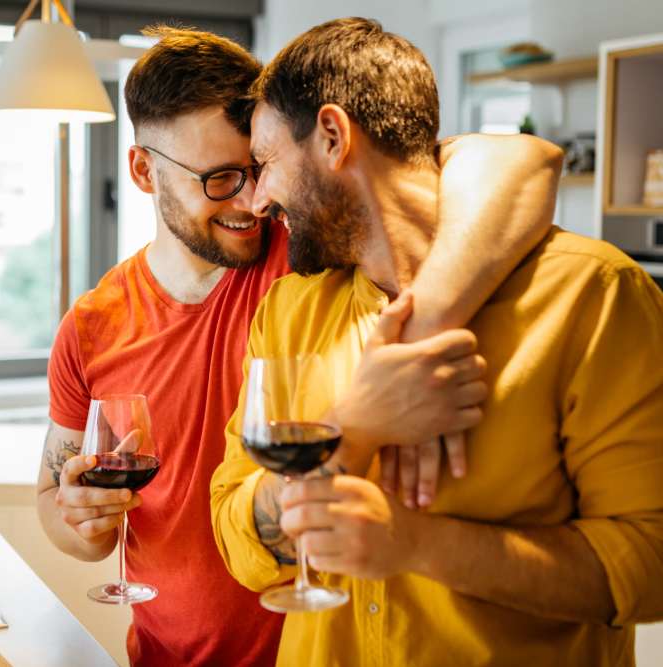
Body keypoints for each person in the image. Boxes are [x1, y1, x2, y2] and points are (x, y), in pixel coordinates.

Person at [39, 26, 564, 667]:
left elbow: (520, 161)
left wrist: (427, 321)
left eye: (258, 169)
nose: (253, 201)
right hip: (161, 655)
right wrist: (81, 523)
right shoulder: (91, 326)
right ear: (144, 170)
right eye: (221, 178)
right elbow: (52, 498)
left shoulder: (309, 255)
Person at [211, 17, 663, 666]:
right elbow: (237, 543)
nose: (256, 201)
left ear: (334, 136)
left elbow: (648, 565)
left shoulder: (596, 296)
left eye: (263, 164)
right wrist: (352, 430)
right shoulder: (287, 310)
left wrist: (419, 543)